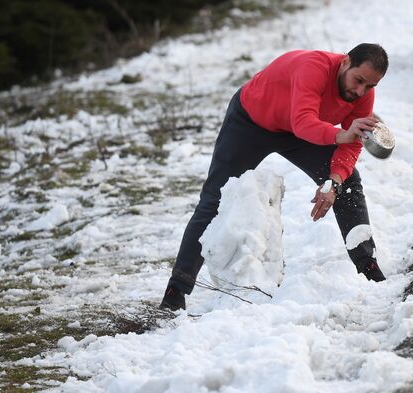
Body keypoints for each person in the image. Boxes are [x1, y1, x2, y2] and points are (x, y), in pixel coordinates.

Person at [160, 43, 389, 311]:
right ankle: (177, 289)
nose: (360, 91)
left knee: (349, 183)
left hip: (299, 132)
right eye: (358, 80)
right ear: (345, 62)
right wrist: (341, 133)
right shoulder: (313, 68)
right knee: (215, 199)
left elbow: (351, 145)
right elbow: (303, 121)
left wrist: (334, 183)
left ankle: (368, 265)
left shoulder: (363, 96)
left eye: (370, 86)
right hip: (251, 122)